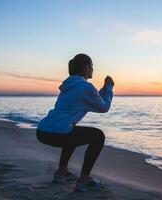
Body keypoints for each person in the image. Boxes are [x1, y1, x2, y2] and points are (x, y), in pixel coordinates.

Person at [36, 53, 114, 192]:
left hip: (42, 130)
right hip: (57, 132)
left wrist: (104, 89)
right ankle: (84, 180)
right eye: (92, 66)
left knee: (71, 130)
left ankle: (62, 173)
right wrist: (108, 88)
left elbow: (97, 100)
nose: (93, 69)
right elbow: (103, 107)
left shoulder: (69, 86)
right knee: (98, 136)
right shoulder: (85, 87)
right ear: (86, 68)